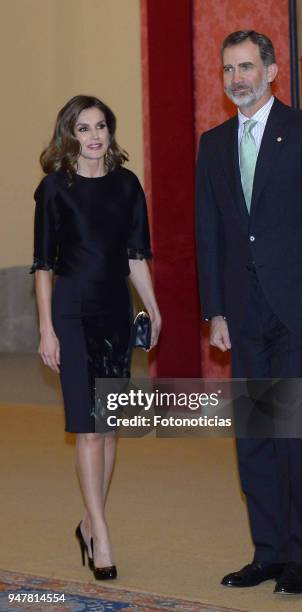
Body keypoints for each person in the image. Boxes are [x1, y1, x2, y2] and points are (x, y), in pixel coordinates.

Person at [196, 31, 302, 595]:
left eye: (247, 67)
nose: (238, 78)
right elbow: (208, 236)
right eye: (229, 68)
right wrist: (215, 311)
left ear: (272, 70)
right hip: (244, 317)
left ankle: (301, 559)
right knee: (255, 437)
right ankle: (268, 552)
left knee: (295, 437)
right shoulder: (212, 145)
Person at [30, 95, 161, 580]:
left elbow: (134, 255)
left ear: (110, 130)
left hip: (115, 316)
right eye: (83, 128)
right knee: (86, 426)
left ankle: (88, 521)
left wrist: (152, 306)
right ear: (70, 135)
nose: (94, 136)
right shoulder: (54, 190)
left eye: (101, 125)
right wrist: (46, 328)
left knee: (108, 427)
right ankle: (102, 534)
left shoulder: (128, 185)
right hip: (70, 314)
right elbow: (43, 266)